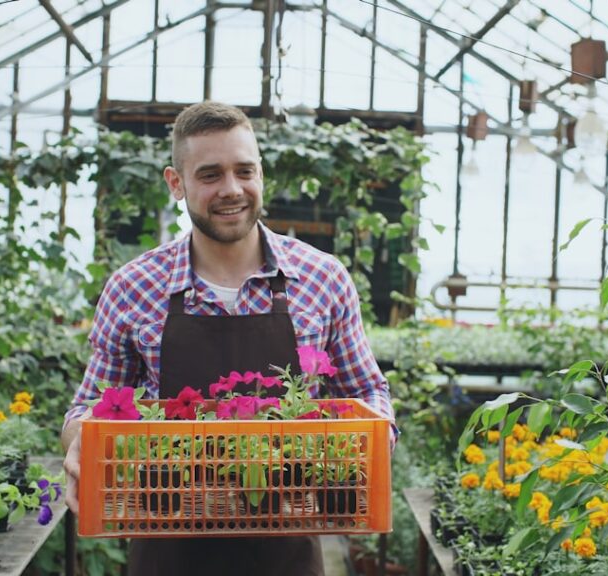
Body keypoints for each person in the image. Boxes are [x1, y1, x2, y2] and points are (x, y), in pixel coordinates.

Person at [62, 101, 396, 576]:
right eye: (210, 174)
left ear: (262, 175)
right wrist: (80, 440)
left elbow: (366, 392)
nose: (232, 190)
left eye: (245, 171)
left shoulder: (322, 279)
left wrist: (373, 442)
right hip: (167, 547)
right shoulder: (134, 287)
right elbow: (90, 407)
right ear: (175, 184)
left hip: (289, 546)